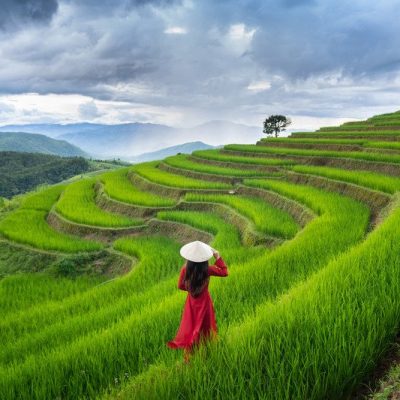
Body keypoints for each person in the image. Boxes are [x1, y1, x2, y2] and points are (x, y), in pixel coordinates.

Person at [167, 240, 228, 363]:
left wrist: (191, 289)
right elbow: (224, 272)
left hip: (191, 303)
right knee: (205, 326)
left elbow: (180, 285)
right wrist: (218, 256)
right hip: (205, 303)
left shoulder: (185, 269)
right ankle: (207, 350)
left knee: (192, 326)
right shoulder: (207, 269)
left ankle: (189, 357)